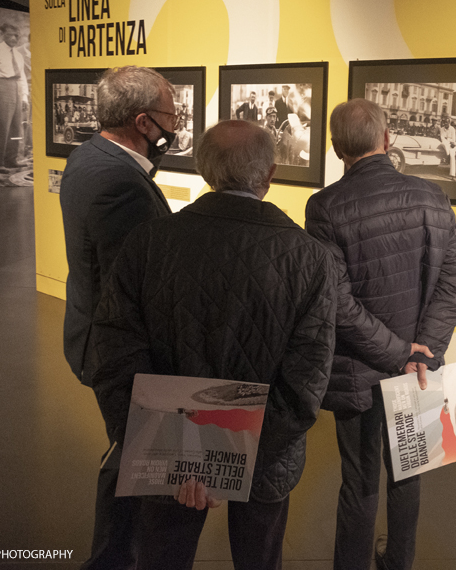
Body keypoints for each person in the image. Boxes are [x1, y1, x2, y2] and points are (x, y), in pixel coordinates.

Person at [88, 120, 338, 570]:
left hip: (168, 454)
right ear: (270, 174)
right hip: (267, 459)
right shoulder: (310, 259)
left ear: (205, 170)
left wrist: (173, 453)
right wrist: (233, 464)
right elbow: (305, 385)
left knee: (162, 558)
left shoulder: (149, 242)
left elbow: (114, 355)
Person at [305, 98, 456, 570]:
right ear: (388, 137)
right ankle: (398, 562)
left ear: (337, 148)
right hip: (416, 368)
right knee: (409, 472)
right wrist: (422, 353)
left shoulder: (325, 207)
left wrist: (400, 352)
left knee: (359, 482)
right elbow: (454, 283)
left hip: (358, 368)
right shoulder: (431, 196)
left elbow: (335, 302)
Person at [59, 65, 178, 570]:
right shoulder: (120, 184)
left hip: (96, 337)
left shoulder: (88, 157)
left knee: (128, 452)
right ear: (144, 122)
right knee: (138, 463)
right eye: (172, 114)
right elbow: (135, 289)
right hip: (119, 353)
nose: (177, 124)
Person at [0, 23, 26, 173]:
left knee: (16, 126)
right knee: (2, 125)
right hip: (1, 86)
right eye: (10, 35)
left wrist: (25, 97)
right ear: (2, 34)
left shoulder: (18, 55)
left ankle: (11, 159)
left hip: (16, 88)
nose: (14, 38)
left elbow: (21, 77)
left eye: (17, 35)